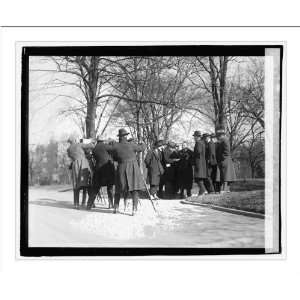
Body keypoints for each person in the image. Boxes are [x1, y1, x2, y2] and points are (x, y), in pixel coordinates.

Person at [108, 128, 146, 216]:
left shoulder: (115, 146)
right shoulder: (131, 145)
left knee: (118, 189)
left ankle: (116, 208)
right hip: (132, 167)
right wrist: (143, 143)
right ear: (125, 136)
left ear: (119, 137)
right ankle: (134, 210)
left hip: (121, 168)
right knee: (134, 189)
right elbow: (142, 148)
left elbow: (114, 158)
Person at [86, 136, 115, 210]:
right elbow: (113, 149)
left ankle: (89, 204)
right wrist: (112, 142)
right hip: (107, 169)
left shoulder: (94, 149)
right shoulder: (105, 146)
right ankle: (111, 204)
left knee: (95, 188)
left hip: (98, 170)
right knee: (110, 187)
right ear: (103, 140)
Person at [67, 136, 92, 209]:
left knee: (76, 184)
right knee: (84, 182)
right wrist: (91, 141)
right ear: (75, 140)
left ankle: (76, 203)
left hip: (75, 165)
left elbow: (70, 156)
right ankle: (83, 202)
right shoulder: (79, 144)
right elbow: (90, 146)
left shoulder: (68, 149)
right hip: (83, 163)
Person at [215, 128, 236, 193]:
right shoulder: (222, 141)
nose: (218, 137)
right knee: (224, 176)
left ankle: (225, 189)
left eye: (219, 135)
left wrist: (222, 158)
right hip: (224, 161)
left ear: (222, 135)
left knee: (225, 176)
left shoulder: (225, 141)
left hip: (225, 161)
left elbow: (227, 152)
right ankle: (226, 189)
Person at [193, 131, 208, 196]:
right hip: (202, 163)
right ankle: (201, 193)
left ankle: (203, 190)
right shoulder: (203, 143)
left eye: (194, 136)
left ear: (197, 136)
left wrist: (193, 155)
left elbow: (198, 151)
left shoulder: (198, 143)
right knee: (200, 178)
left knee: (198, 178)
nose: (194, 138)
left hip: (199, 163)